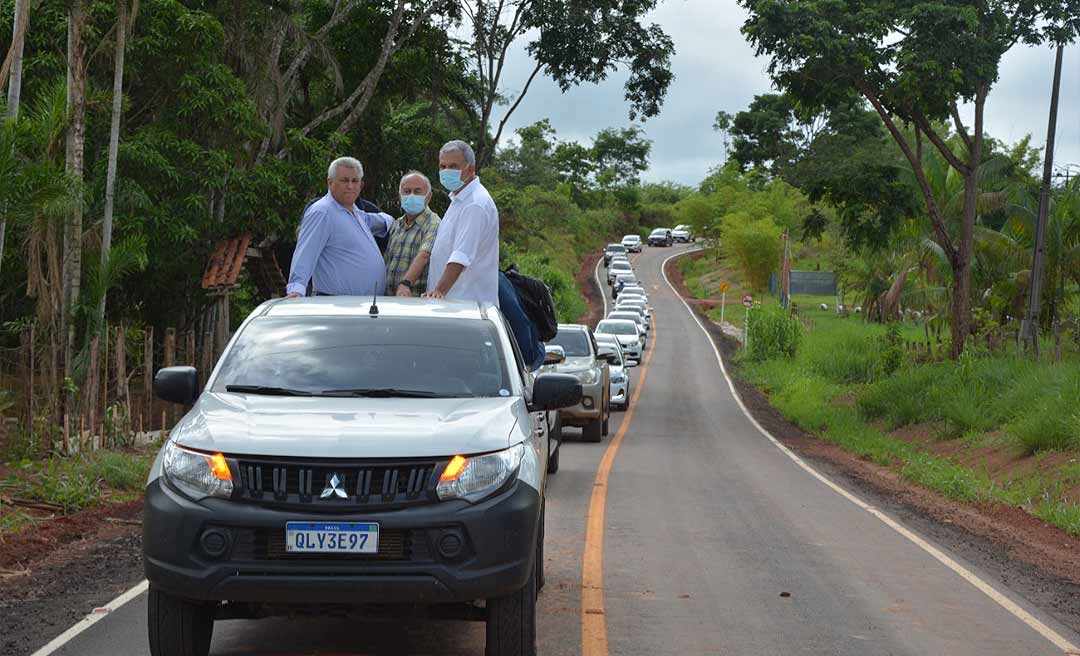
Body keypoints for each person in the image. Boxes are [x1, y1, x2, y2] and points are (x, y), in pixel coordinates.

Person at [286, 157, 394, 297]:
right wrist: (296, 289)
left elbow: (383, 221)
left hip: (363, 306)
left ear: (361, 185)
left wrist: (394, 221)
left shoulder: (357, 214)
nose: (350, 186)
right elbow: (306, 251)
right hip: (336, 306)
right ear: (330, 183)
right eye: (344, 180)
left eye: (355, 181)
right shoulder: (322, 212)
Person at [422, 140, 500, 306]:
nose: (446, 171)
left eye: (453, 166)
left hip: (466, 306)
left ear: (470, 169)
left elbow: (461, 256)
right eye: (442, 166)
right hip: (451, 304)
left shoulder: (474, 204)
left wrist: (439, 291)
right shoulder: (459, 200)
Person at [385, 171, 441, 296]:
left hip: (415, 303)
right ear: (400, 196)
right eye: (406, 191)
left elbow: (424, 256)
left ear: (429, 197)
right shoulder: (397, 224)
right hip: (389, 302)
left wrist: (405, 284)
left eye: (417, 191)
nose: (411, 195)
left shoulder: (434, 223)